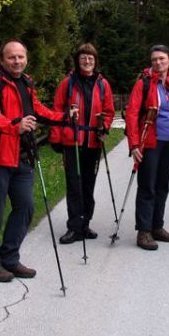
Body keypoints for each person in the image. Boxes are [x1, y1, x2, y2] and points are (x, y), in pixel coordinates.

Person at [0, 40, 68, 281]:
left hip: (22, 156)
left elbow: (37, 109)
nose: (16, 61)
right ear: (2, 59)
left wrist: (64, 117)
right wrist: (13, 126)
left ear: (26, 58)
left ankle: (9, 258)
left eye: (20, 57)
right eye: (11, 57)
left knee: (26, 207)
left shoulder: (26, 82)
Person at [126, 44, 169, 251]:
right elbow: (132, 113)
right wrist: (134, 144)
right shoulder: (144, 84)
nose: (158, 63)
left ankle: (157, 226)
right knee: (147, 186)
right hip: (150, 143)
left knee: (162, 185)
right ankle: (143, 231)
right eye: (154, 59)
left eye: (162, 59)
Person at [49, 43, 116, 245]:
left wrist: (104, 126)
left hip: (93, 142)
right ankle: (74, 227)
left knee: (88, 186)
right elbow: (57, 110)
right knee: (74, 186)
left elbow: (109, 111)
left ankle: (85, 224)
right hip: (73, 142)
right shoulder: (67, 83)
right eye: (83, 58)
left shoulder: (103, 84)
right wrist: (56, 138)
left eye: (91, 58)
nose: (87, 61)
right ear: (77, 60)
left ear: (95, 62)